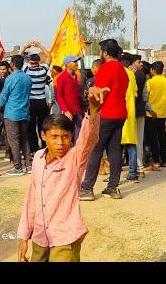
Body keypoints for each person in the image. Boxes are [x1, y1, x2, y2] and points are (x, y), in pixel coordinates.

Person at [17, 86, 106, 262]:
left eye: (65, 137)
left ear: (71, 137)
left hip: (65, 237)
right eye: (54, 136)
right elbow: (31, 198)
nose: (60, 143)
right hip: (40, 235)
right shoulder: (38, 158)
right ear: (43, 136)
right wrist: (23, 236)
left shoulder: (75, 158)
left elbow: (89, 139)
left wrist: (94, 109)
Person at [79, 39, 129, 201]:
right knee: (114, 150)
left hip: (105, 113)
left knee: (96, 150)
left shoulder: (106, 68)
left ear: (105, 53)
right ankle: (112, 187)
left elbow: (97, 94)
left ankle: (87, 188)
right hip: (120, 113)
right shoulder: (122, 69)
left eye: (101, 50)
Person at [0, 54, 33, 176]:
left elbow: (4, 95)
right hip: (24, 111)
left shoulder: (10, 78)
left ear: (12, 65)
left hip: (12, 112)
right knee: (24, 139)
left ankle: (18, 167)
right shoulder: (28, 78)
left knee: (14, 141)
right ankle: (29, 165)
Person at [21, 40, 52, 151]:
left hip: (30, 102)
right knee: (42, 126)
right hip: (42, 102)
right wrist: (39, 45)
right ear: (39, 61)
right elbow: (49, 56)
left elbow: (18, 58)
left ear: (30, 62)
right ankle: (44, 147)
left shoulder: (26, 70)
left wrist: (25, 46)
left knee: (31, 127)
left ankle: (34, 149)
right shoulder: (44, 70)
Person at [144, 61, 166, 170]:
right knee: (161, 138)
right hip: (162, 114)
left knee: (153, 139)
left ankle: (156, 160)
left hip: (151, 114)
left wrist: (151, 111)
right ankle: (164, 160)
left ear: (153, 70)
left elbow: (145, 98)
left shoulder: (150, 82)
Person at [55, 55, 84, 142]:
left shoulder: (75, 77)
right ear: (67, 64)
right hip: (68, 112)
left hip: (77, 110)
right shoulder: (61, 78)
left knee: (78, 135)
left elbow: (77, 93)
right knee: (66, 135)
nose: (76, 64)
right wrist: (65, 110)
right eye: (74, 62)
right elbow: (59, 96)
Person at [120, 53, 139, 180]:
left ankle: (114, 173)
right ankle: (132, 173)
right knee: (131, 144)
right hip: (130, 112)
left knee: (115, 145)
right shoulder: (131, 74)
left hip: (119, 112)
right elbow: (135, 93)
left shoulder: (117, 72)